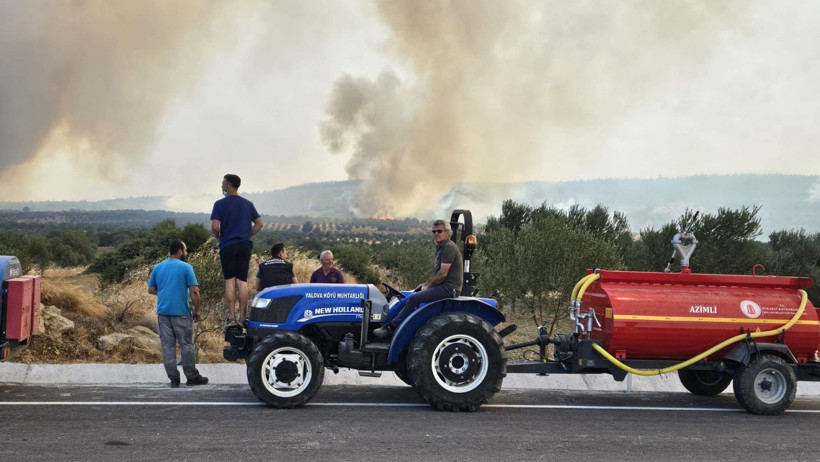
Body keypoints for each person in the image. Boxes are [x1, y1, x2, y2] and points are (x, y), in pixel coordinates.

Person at [373, 220, 463, 338]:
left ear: (447, 232)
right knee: (407, 296)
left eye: (439, 231)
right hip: (443, 287)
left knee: (415, 299)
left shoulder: (449, 247)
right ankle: (388, 324)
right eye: (434, 231)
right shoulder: (442, 248)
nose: (436, 234)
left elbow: (442, 274)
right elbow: (438, 275)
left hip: (449, 289)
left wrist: (428, 286)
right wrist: (425, 284)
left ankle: (391, 328)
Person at [147, 240, 209, 388]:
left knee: (167, 346)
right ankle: (192, 376)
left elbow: (151, 290)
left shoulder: (158, 267)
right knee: (186, 345)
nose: (186, 253)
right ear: (180, 251)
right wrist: (198, 310)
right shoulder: (186, 267)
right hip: (181, 312)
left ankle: (174, 379)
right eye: (185, 250)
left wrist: (164, 293)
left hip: (163, 313)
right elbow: (194, 291)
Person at [210, 174, 264, 327]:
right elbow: (259, 223)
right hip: (244, 245)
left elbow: (214, 227)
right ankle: (243, 317)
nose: (221, 186)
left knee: (230, 281)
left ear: (228, 185)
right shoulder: (248, 204)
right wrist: (247, 235)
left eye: (222, 183)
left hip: (227, 245)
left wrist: (220, 238)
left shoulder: (219, 204)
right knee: (242, 281)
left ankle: (231, 317)